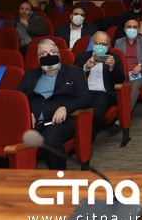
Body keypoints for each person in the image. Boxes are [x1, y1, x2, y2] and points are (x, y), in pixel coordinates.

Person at [17, 39, 90, 170]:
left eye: (52, 52)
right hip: (33, 123)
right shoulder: (30, 75)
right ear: (38, 58)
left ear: (59, 55)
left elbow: (85, 98)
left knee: (49, 139)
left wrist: (65, 108)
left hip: (60, 123)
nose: (48, 56)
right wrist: (27, 112)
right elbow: (18, 98)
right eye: (43, 54)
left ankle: (59, 176)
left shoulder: (74, 73)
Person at [74, 31, 125, 138]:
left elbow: (121, 79)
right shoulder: (82, 56)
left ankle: (87, 139)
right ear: (92, 44)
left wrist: (112, 67)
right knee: (74, 111)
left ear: (108, 46)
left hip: (104, 94)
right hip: (84, 92)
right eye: (98, 43)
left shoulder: (114, 58)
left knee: (96, 113)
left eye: (104, 44)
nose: (100, 46)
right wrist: (86, 67)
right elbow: (73, 77)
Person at [114, 19, 142, 109]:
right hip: (122, 73)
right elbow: (115, 59)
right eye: (129, 27)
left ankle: (125, 114)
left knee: (134, 86)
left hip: (136, 73)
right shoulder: (118, 42)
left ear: (139, 29)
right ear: (125, 29)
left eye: (135, 27)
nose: (132, 29)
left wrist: (140, 65)